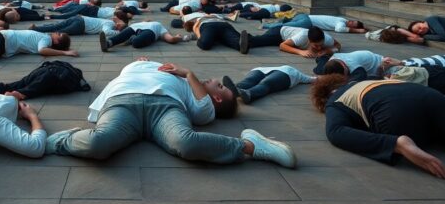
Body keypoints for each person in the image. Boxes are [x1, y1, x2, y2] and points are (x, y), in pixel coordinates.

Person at [45, 58, 297, 168]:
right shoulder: (170, 72)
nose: (213, 80)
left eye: (218, 86)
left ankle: (251, 146)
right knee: (98, 143)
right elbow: (131, 68)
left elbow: (202, 112)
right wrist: (143, 63)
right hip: (123, 101)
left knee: (185, 142)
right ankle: (61, 141)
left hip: (165, 108)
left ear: (216, 98)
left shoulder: (195, 91)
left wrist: (189, 74)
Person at [311, 71, 445, 179]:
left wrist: (393, 144)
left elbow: (336, 132)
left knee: (432, 133)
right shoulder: (373, 79)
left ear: (327, 94)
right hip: (428, 96)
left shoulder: (335, 101)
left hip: (395, 115)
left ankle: (402, 143)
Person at [0, 60, 91, 99]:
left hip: (55, 76)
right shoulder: (75, 74)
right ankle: (1, 88)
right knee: (26, 81)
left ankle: (19, 94)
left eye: (59, 35)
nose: (57, 33)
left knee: (36, 84)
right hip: (53, 72)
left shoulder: (74, 76)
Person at [0, 30, 78, 64]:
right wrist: (65, 53)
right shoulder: (46, 38)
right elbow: (42, 50)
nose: (56, 32)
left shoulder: (46, 39)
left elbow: (43, 49)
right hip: (2, 41)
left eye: (59, 34)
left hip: (0, 37)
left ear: (57, 42)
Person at [229, 66, 315, 104]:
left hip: (282, 73)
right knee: (261, 83)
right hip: (267, 70)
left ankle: (244, 91)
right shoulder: (298, 74)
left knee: (263, 83)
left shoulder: (297, 74)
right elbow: (312, 79)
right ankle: (241, 91)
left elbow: (313, 79)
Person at [245, 26, 341, 58]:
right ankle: (245, 37)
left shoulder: (327, 39)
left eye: (321, 45)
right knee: (259, 41)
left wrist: (329, 50)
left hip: (288, 39)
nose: (319, 48)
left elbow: (338, 45)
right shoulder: (302, 36)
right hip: (279, 33)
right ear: (309, 40)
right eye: (316, 46)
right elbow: (282, 46)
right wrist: (301, 52)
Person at [100, 21, 193, 51]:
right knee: (122, 35)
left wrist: (178, 37)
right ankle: (108, 43)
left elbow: (170, 39)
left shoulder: (161, 27)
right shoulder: (144, 21)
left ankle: (132, 39)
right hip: (134, 27)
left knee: (136, 43)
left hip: (150, 32)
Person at [30, 14, 126, 37]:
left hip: (79, 18)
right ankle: (37, 33)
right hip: (81, 25)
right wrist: (119, 32)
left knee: (57, 26)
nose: (119, 26)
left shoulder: (109, 21)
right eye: (120, 25)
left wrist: (119, 24)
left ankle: (36, 28)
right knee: (60, 32)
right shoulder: (110, 24)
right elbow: (106, 32)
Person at [263, 14, 366, 33]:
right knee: (287, 26)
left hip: (304, 16)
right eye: (352, 21)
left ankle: (270, 22)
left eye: (353, 24)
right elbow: (338, 29)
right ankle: (266, 25)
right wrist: (356, 30)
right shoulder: (341, 21)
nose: (351, 22)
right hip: (307, 22)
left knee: (290, 22)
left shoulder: (341, 20)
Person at [314, 50, 384, 77]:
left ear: (344, 66)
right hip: (363, 60)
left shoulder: (352, 65)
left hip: (380, 62)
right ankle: (322, 58)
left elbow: (361, 76)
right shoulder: (332, 59)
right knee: (319, 70)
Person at [222, 2, 291, 20]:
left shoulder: (272, 6)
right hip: (251, 8)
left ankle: (233, 13)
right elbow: (258, 11)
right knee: (253, 14)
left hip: (249, 7)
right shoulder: (272, 9)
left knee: (249, 13)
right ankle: (236, 13)